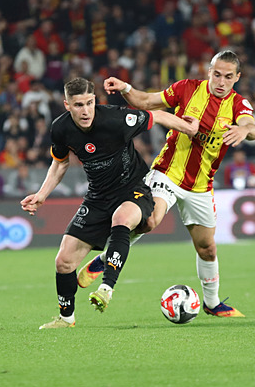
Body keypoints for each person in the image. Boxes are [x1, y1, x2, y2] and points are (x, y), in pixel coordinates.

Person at [81, 50, 255, 318]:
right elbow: (146, 101)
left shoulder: (237, 105)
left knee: (207, 248)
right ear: (209, 71)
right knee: (150, 220)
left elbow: (250, 125)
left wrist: (244, 129)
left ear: (237, 78)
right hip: (167, 173)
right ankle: (106, 259)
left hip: (201, 185)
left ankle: (211, 303)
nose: (221, 81)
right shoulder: (187, 89)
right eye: (217, 74)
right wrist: (126, 87)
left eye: (228, 77)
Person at [21, 77, 198, 329]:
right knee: (64, 261)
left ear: (96, 100)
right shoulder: (60, 129)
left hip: (133, 189)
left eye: (90, 103)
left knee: (122, 219)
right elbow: (60, 162)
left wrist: (188, 129)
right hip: (97, 197)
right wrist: (41, 195)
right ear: (67, 105)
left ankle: (106, 288)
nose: (85, 111)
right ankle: (66, 319)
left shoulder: (116, 119)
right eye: (79, 105)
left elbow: (155, 116)